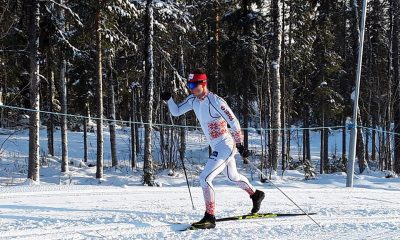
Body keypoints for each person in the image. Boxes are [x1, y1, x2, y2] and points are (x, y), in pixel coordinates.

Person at [160, 68, 265, 229]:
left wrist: (240, 144)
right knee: (232, 177)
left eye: (194, 84)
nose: (191, 88)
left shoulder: (216, 101)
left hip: (226, 144)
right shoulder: (193, 100)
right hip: (216, 145)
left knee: (205, 178)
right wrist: (169, 99)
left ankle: (210, 217)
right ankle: (256, 194)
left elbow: (234, 122)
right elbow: (176, 112)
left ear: (203, 83)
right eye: (189, 84)